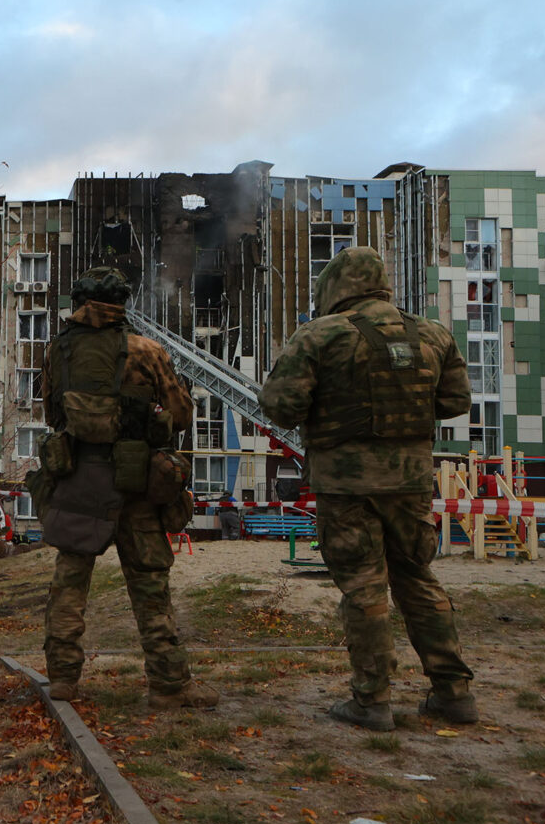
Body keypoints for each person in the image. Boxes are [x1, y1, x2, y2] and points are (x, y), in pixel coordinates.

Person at [259, 246, 476, 732]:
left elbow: (280, 405)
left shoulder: (321, 335)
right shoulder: (433, 334)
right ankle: (454, 695)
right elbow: (456, 400)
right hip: (412, 482)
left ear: (335, 286)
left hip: (347, 486)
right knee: (418, 580)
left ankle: (372, 700)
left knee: (363, 586)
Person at [38, 268, 218, 709]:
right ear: (122, 303)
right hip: (137, 486)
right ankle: (168, 686)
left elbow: (51, 415)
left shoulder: (58, 351)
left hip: (80, 484)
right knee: (150, 587)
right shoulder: (147, 350)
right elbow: (180, 417)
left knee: (69, 586)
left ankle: (62, 679)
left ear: (79, 300)